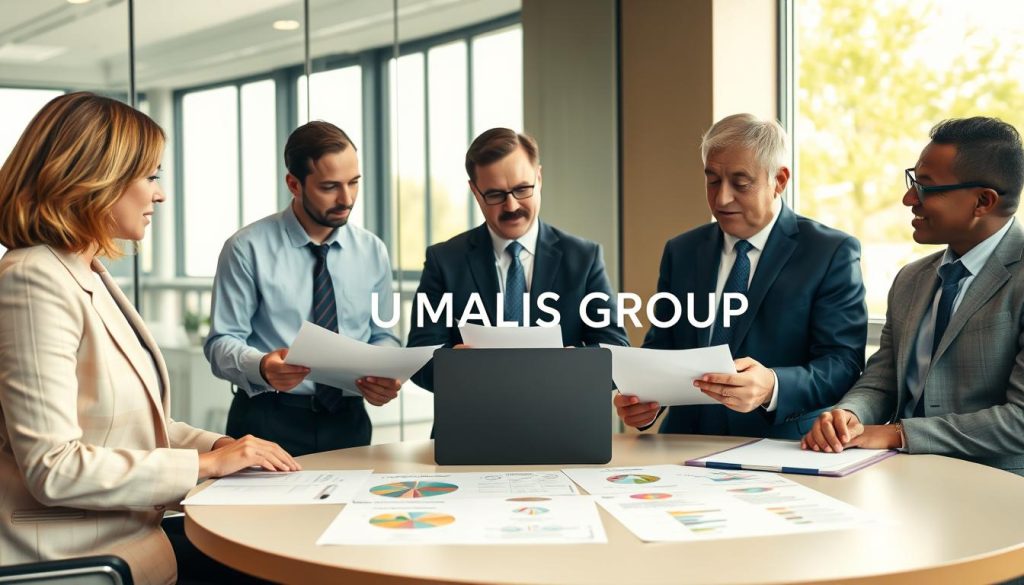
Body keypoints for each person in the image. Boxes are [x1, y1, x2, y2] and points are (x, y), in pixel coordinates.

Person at [0, 92, 298, 585]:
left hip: (132, 543)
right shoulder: (33, 278)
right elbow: (53, 467)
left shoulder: (86, 271)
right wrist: (206, 464)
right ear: (93, 179)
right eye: (151, 176)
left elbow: (132, 426)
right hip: (79, 560)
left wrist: (227, 445)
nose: (159, 194)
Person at [616, 113, 867, 439]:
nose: (721, 198)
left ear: (780, 180)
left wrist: (772, 386)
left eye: (740, 182)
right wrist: (645, 405)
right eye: (712, 180)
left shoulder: (830, 252)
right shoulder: (682, 251)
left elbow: (843, 365)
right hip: (682, 445)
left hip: (780, 447)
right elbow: (663, 348)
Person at [803, 117, 1024, 474]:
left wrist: (898, 434)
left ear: (983, 201)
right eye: (913, 182)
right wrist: (848, 415)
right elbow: (882, 381)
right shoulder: (911, 279)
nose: (909, 199)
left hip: (1000, 491)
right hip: (900, 481)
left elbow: (1020, 421)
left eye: (926, 187)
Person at [205, 121, 401, 456]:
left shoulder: (373, 250)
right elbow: (221, 342)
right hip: (267, 418)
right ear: (294, 184)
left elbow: (383, 332)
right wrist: (263, 366)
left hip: (349, 421)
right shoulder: (246, 248)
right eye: (330, 187)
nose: (347, 198)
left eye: (354, 183)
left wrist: (385, 371)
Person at [406, 128, 630, 390]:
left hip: (563, 424)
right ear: (475, 192)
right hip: (468, 423)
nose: (511, 206)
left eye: (522, 189)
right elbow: (418, 359)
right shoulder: (443, 261)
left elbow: (617, 351)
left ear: (539, 177)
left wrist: (576, 364)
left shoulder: (584, 258)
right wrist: (456, 366)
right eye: (495, 195)